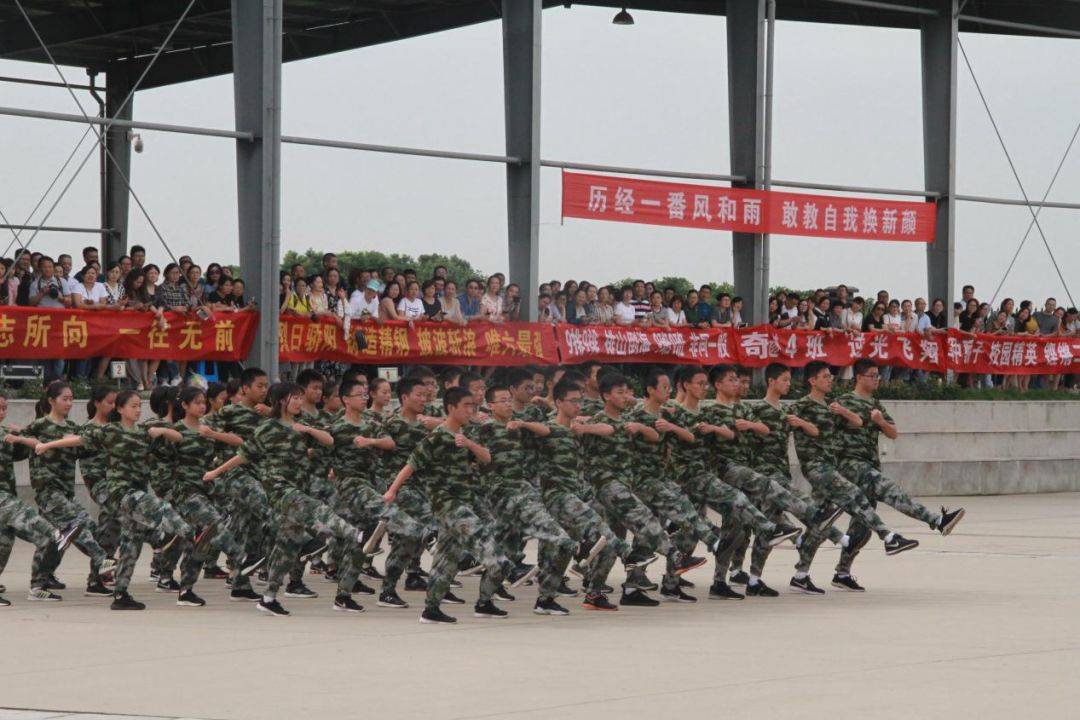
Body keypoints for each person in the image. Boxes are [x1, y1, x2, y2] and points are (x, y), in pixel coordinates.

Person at [35, 390, 215, 611]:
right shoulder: (111, 431)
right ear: (120, 409)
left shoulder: (142, 433)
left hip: (136, 492)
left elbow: (179, 439)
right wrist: (47, 445)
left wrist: (162, 430)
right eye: (133, 406)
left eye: (140, 406)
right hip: (122, 493)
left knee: (131, 546)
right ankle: (184, 535)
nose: (138, 410)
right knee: (162, 506)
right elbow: (80, 440)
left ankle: (121, 595)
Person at [204, 382, 367, 616]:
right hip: (279, 488)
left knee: (286, 548)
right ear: (282, 400)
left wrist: (308, 430)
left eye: (302, 399)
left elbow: (329, 440)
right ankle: (355, 534)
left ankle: (268, 598)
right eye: (296, 398)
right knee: (315, 508)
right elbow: (243, 455)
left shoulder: (301, 426)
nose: (300, 403)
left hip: (298, 484)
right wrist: (215, 472)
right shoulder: (267, 428)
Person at [830, 359, 966, 591]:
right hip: (850, 466)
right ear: (859, 378)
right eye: (873, 376)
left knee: (862, 526)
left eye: (878, 376)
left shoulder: (875, 404)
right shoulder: (843, 402)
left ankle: (842, 573)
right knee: (890, 491)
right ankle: (937, 520)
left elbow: (893, 433)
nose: (877, 380)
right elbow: (827, 432)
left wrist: (880, 421)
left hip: (870, 463)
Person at [787, 361, 918, 593]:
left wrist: (844, 412)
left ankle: (801, 574)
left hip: (833, 466)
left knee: (820, 523)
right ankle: (888, 537)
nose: (830, 380)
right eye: (825, 376)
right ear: (812, 381)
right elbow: (802, 430)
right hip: (817, 468)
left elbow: (858, 422)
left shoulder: (832, 405)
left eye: (831, 376)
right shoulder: (801, 406)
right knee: (855, 495)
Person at [384, 387, 509, 624]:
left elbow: (487, 458)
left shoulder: (464, 436)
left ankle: (432, 609)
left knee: (445, 560)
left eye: (473, 406)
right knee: (493, 553)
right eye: (466, 406)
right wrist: (392, 490)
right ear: (451, 408)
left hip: (465, 500)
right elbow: (411, 464)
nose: (471, 410)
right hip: (447, 504)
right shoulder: (437, 437)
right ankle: (486, 563)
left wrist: (469, 444)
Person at [470, 385, 579, 615]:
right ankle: (542, 596)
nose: (508, 404)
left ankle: (486, 602)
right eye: (502, 400)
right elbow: (467, 454)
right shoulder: (484, 428)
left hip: (521, 490)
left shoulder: (517, 426)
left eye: (509, 400)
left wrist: (523, 424)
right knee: (563, 541)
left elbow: (547, 429)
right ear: (490, 406)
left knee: (505, 553)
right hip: (503, 495)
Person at [534, 380, 632, 611]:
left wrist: (585, 427)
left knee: (569, 549)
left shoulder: (578, 429)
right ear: (558, 402)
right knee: (604, 535)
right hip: (556, 498)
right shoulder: (547, 429)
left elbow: (610, 429)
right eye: (573, 401)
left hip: (577, 495)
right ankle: (629, 554)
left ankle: (581, 595)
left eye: (581, 401)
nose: (578, 405)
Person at [20, 383, 118, 598]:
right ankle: (103, 560)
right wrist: (17, 437)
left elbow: (89, 446)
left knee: (52, 540)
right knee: (79, 523)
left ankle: (38, 586)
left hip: (65, 491)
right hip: (48, 491)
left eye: (71, 399)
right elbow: (20, 447)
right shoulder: (39, 426)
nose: (69, 403)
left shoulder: (73, 428)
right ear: (51, 400)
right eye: (64, 399)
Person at [0, 393, 82, 606]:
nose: (2, 413)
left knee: (5, 544)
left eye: (4, 408)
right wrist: (23, 435)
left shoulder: (6, 435)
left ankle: (38, 586)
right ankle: (56, 533)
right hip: (5, 502)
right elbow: (35, 443)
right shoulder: (4, 436)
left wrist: (21, 434)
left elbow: (33, 448)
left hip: (7, 499)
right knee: (48, 532)